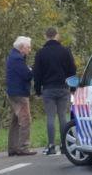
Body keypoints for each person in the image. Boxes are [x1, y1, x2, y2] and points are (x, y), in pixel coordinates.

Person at [33, 27, 77, 155]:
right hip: (63, 88)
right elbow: (72, 70)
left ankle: (51, 146)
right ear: (57, 35)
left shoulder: (41, 53)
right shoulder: (65, 51)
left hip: (48, 89)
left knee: (50, 117)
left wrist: (37, 90)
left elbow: (37, 74)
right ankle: (65, 145)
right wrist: (73, 88)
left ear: (45, 36)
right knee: (63, 116)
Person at [5, 36, 35, 156]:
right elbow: (27, 75)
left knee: (16, 120)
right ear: (22, 48)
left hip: (13, 92)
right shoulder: (17, 59)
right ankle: (23, 147)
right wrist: (33, 70)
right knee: (25, 119)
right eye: (28, 47)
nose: (30, 49)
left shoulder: (13, 57)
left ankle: (13, 147)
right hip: (19, 93)